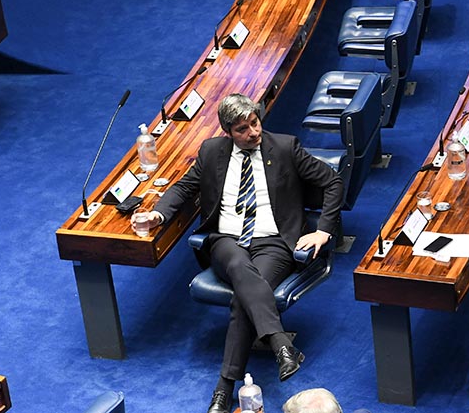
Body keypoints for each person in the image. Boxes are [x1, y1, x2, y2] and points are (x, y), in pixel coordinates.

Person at [133, 94, 343, 413]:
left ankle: (224, 387)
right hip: (227, 241)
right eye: (243, 129)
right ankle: (280, 344)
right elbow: (182, 188)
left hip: (273, 242)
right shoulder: (211, 151)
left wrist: (323, 230)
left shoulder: (285, 147)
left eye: (255, 123)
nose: (253, 133)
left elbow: (333, 182)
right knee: (238, 263)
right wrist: (157, 215)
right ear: (228, 131)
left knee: (241, 297)